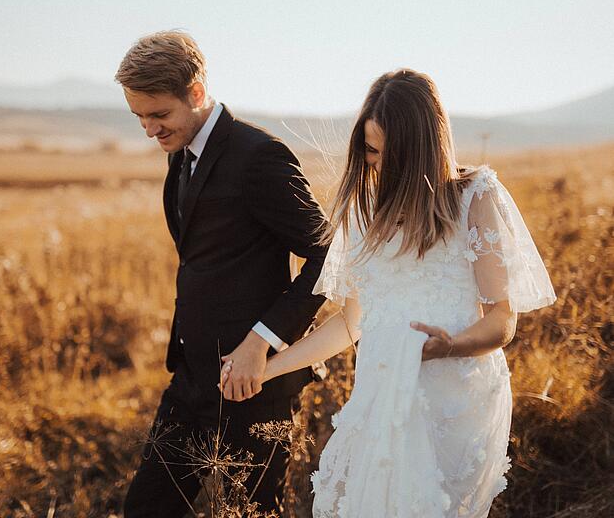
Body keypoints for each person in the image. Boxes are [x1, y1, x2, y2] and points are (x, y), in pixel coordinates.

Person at [221, 69, 557, 517]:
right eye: (369, 150)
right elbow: (349, 324)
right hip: (379, 399)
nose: (374, 163)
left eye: (384, 152)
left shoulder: (475, 197)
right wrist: (269, 368)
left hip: (454, 401)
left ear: (420, 149)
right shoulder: (361, 214)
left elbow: (502, 320)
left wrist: (451, 345)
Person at [117, 31, 329, 517]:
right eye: (140, 118)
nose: (149, 130)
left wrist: (262, 341)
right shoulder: (181, 151)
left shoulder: (260, 156)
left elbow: (327, 256)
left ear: (195, 93)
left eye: (159, 114)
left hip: (256, 386)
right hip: (191, 380)